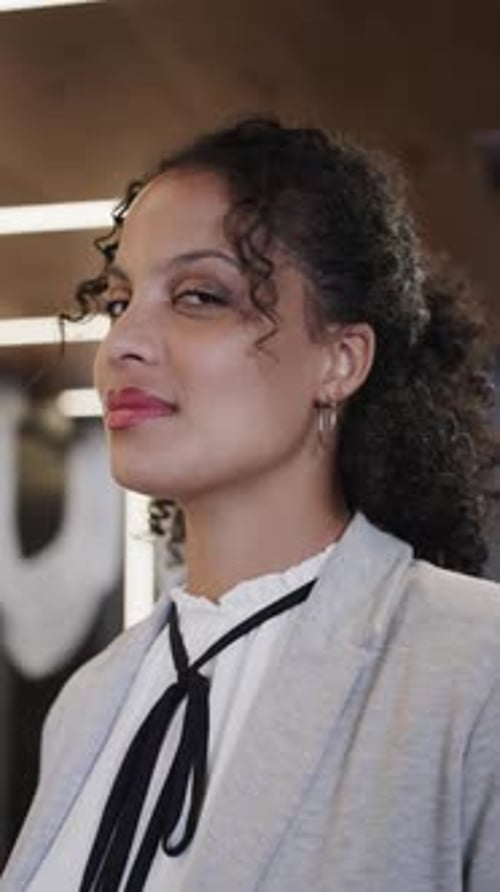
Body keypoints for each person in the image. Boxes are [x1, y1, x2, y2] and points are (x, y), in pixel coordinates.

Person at [3, 116, 500, 892]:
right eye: (118, 300)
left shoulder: (474, 664)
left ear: (340, 360)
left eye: (200, 296)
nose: (122, 342)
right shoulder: (90, 699)